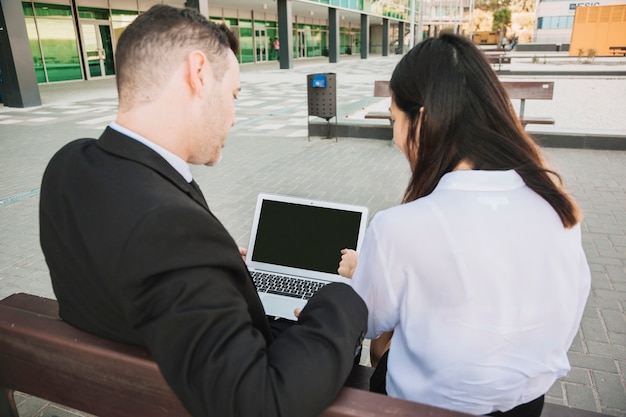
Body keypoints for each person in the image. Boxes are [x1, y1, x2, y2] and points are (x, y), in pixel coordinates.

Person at [39, 5, 367, 417]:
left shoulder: (67, 165)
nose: (233, 117)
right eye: (233, 95)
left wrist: (213, 271)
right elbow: (261, 402)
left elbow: (131, 263)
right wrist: (340, 297)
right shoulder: (173, 230)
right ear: (198, 74)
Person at [338, 32, 590, 417]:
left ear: (421, 120)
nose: (394, 137)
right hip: (526, 405)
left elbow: (367, 322)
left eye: (394, 120)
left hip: (420, 407)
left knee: (385, 341)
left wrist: (363, 270)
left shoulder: (400, 227)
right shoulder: (558, 205)